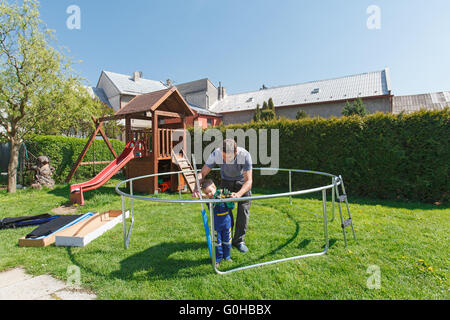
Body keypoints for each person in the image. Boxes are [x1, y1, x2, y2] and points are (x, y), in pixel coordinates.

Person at [194, 139, 253, 253]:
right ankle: (227, 239)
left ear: (236, 152)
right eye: (224, 157)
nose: (225, 160)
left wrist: (238, 194)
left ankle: (239, 241)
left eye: (229, 158)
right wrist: (197, 186)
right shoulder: (216, 153)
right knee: (224, 211)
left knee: (244, 210)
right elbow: (203, 172)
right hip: (226, 182)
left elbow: (249, 181)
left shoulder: (245, 155)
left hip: (242, 183)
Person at [201, 179, 234, 266]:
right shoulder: (210, 201)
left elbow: (231, 207)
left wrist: (229, 199)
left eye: (210, 191)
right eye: (207, 193)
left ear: (214, 188)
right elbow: (212, 206)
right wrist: (204, 196)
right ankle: (218, 258)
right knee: (217, 242)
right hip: (216, 225)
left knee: (227, 241)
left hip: (226, 223)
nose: (209, 194)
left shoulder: (223, 195)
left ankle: (227, 256)